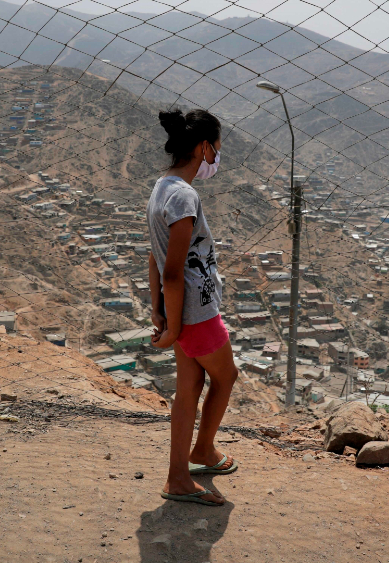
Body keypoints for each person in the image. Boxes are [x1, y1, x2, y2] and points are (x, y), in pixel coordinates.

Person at [147, 108, 239, 506]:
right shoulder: (184, 195)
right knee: (226, 376)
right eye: (216, 150)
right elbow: (171, 270)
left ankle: (179, 476)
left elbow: (153, 257)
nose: (215, 158)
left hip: (180, 310)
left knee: (188, 390)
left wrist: (160, 311)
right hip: (196, 312)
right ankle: (201, 453)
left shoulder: (162, 186)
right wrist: (172, 328)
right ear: (203, 148)